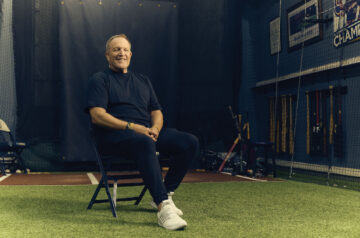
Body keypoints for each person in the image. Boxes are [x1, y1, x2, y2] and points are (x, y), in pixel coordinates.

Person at [87, 34, 199, 230]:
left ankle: (167, 192)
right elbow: (97, 116)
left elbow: (156, 111)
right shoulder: (100, 79)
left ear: (130, 54)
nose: (121, 53)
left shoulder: (142, 80)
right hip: (114, 136)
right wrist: (132, 127)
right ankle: (163, 207)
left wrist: (155, 128)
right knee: (144, 141)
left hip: (144, 133)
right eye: (116, 49)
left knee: (189, 142)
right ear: (107, 55)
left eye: (124, 49)